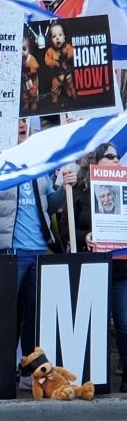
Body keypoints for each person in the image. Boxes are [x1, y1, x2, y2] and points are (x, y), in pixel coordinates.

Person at [0, 119, 75, 389]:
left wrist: (65, 187)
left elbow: (51, 204)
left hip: (39, 250)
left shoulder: (40, 167)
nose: (21, 126)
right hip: (11, 251)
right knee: (7, 313)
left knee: (34, 315)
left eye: (24, 123)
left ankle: (28, 371)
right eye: (15, 123)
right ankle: (1, 369)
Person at [59, 143, 127, 390]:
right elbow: (65, 227)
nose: (117, 160)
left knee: (124, 322)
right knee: (90, 324)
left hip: (121, 269)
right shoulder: (77, 189)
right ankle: (89, 376)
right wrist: (84, 236)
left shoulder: (125, 187)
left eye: (118, 156)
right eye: (111, 156)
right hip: (91, 267)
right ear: (95, 161)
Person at [44, 22, 77, 104]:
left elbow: (73, 53)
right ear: (51, 40)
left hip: (67, 71)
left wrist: (67, 54)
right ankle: (54, 97)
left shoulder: (68, 47)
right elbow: (47, 61)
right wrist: (53, 62)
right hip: (57, 74)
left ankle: (73, 95)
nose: (57, 38)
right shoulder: (50, 51)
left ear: (64, 38)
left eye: (60, 35)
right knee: (55, 86)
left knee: (70, 84)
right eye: (54, 36)